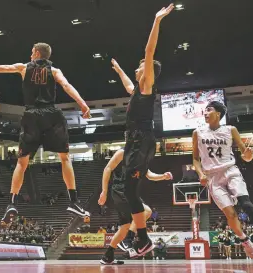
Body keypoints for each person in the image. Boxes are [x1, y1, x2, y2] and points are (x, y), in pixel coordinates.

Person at [0, 42, 91, 222]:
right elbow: (67, 86)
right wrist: (83, 104)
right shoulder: (55, 71)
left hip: (31, 115)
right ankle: (74, 201)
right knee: (64, 158)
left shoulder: (23, 68)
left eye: (31, 52)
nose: (30, 55)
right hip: (51, 114)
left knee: (22, 163)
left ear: (37, 53)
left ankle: (11, 203)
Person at [110, 4, 174, 257]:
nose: (137, 71)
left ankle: (144, 240)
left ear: (147, 73)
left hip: (141, 141)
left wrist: (157, 21)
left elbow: (149, 51)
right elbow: (128, 83)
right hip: (136, 143)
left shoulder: (148, 86)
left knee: (128, 190)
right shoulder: (138, 90)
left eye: (140, 68)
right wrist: (118, 70)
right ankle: (143, 239)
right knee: (129, 190)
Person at [192, 100, 253, 260]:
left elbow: (245, 154)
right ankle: (245, 241)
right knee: (231, 215)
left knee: (246, 204)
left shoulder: (230, 129)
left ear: (218, 113)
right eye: (204, 110)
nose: (205, 113)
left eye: (209, 110)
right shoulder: (197, 132)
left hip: (230, 170)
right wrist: (200, 173)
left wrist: (248, 155)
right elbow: (195, 159)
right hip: (212, 176)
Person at [98, 148, 173, 264]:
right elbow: (107, 168)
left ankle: (108, 256)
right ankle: (128, 238)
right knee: (146, 211)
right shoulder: (123, 152)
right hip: (120, 191)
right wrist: (104, 191)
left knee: (125, 226)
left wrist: (163, 176)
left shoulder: (141, 160)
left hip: (130, 192)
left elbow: (149, 175)